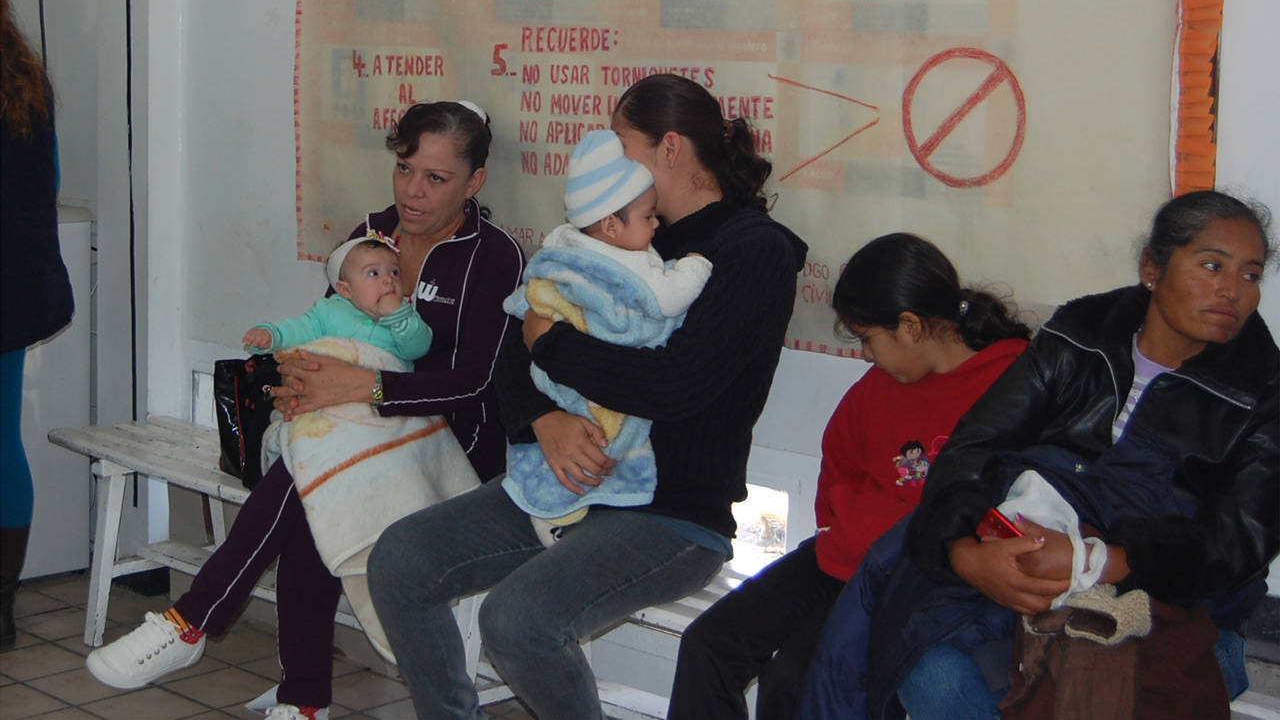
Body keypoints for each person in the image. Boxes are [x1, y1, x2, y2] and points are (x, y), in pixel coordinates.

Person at [367, 72, 808, 719]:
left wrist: (554, 345)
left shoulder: (754, 251)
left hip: (672, 513)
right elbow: (514, 346)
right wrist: (543, 418)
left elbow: (675, 384)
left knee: (517, 622)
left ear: (670, 149)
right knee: (401, 560)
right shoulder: (609, 227)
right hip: (564, 484)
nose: (606, 159)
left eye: (621, 145)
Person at [85, 100, 525, 720]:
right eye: (405, 169)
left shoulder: (494, 256)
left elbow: (476, 385)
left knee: (312, 476)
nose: (412, 191)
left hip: (448, 450)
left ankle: (197, 624)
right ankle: (299, 697)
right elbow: (328, 326)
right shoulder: (372, 232)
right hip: (356, 427)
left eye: (436, 178)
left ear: (473, 182)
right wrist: (300, 381)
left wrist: (367, 388)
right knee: (314, 474)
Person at [801, 190, 1278, 718]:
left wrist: (1093, 561)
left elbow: (1239, 544)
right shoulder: (1081, 335)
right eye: (1212, 266)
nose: (1232, 290)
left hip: (1171, 598)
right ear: (1152, 268)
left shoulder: (1261, 390)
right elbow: (974, 447)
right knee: (925, 667)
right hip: (1028, 560)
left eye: (1251, 275)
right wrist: (964, 554)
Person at [667, 233, 1031, 719]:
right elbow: (838, 468)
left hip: (919, 577)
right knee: (709, 645)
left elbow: (1003, 514)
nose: (865, 355)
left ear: (909, 326)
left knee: (793, 681)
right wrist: (846, 528)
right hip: (841, 554)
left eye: (867, 338)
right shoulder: (879, 386)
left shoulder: (1012, 386)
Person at [502, 128, 713, 545]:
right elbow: (667, 298)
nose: (655, 224)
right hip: (589, 381)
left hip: (560, 375)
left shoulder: (564, 247)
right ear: (612, 225)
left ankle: (551, 507)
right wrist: (696, 266)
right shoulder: (627, 264)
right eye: (648, 217)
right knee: (604, 436)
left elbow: (528, 308)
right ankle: (561, 508)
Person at [1, 0, 75, 650]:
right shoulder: (24, 79)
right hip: (17, 288)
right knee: (2, 443)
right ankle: (0, 613)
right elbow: (48, 180)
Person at [243, 231, 429, 361]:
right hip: (332, 391)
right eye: (373, 273)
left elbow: (417, 349)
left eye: (394, 272)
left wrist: (398, 317)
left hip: (378, 396)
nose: (388, 279)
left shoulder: (406, 317)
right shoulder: (329, 311)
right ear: (346, 290)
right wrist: (271, 335)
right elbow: (298, 329)